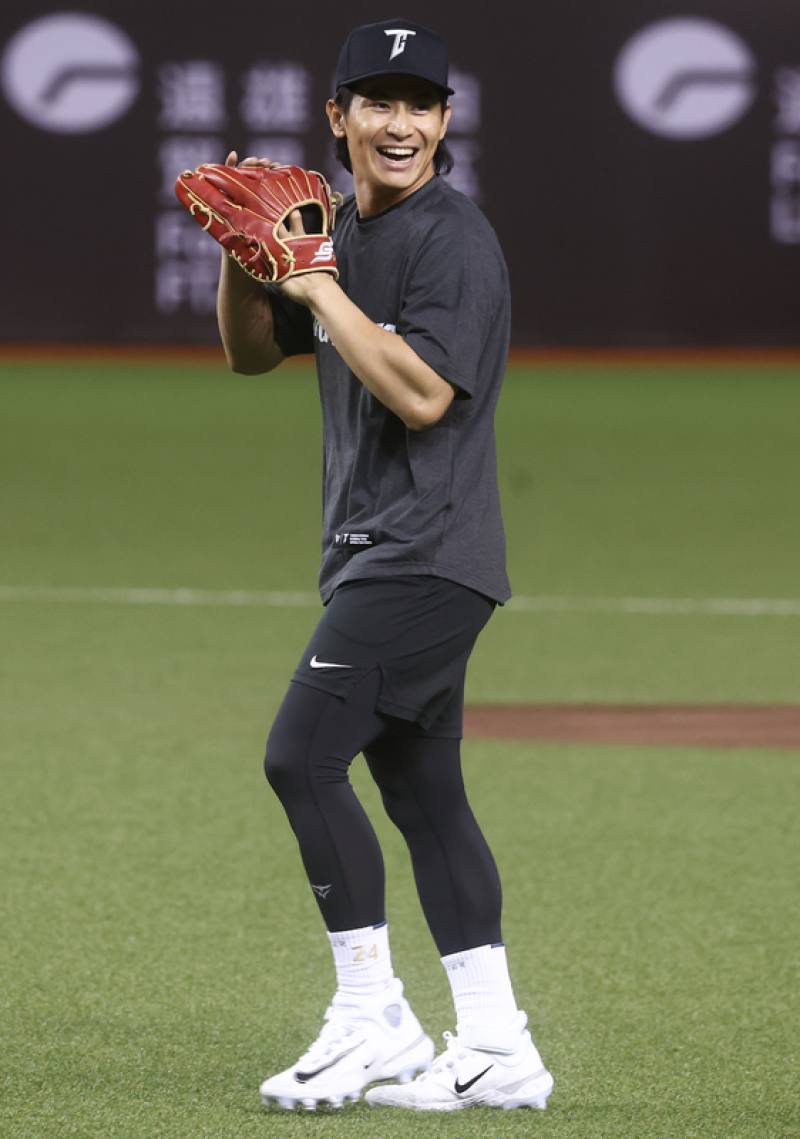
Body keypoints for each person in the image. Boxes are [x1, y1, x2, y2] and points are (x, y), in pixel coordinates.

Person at [215, 17, 553, 1113]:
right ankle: (497, 1043)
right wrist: (249, 263)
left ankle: (373, 1016)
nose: (398, 122)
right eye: (377, 100)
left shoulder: (452, 240)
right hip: (382, 552)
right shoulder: (334, 230)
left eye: (419, 103)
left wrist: (313, 283)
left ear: (445, 121)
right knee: (421, 792)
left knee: (299, 756)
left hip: (425, 553)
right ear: (338, 117)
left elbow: (419, 394)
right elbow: (248, 351)